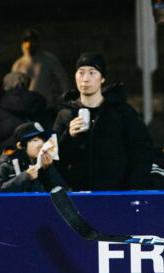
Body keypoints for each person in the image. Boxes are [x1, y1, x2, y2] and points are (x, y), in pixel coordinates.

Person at [54, 52, 154, 191]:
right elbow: (56, 162)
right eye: (81, 72)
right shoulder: (65, 115)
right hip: (79, 194)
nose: (85, 79)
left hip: (117, 192)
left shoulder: (121, 111)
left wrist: (134, 187)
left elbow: (142, 151)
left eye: (92, 72)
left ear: (102, 78)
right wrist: (69, 136)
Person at [0, 72, 48, 192]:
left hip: (7, 177)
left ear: (4, 87)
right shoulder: (40, 111)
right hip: (38, 176)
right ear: (27, 85)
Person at [0, 121, 66, 193]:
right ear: (20, 145)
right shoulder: (8, 164)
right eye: (35, 140)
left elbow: (63, 193)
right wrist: (25, 177)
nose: (42, 144)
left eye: (43, 140)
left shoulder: (43, 163)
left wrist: (48, 169)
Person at [11, 29, 70, 114]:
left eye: (32, 41)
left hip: (47, 107)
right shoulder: (18, 65)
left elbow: (63, 81)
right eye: (27, 41)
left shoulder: (49, 60)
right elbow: (12, 89)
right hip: (26, 109)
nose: (30, 44)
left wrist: (65, 101)